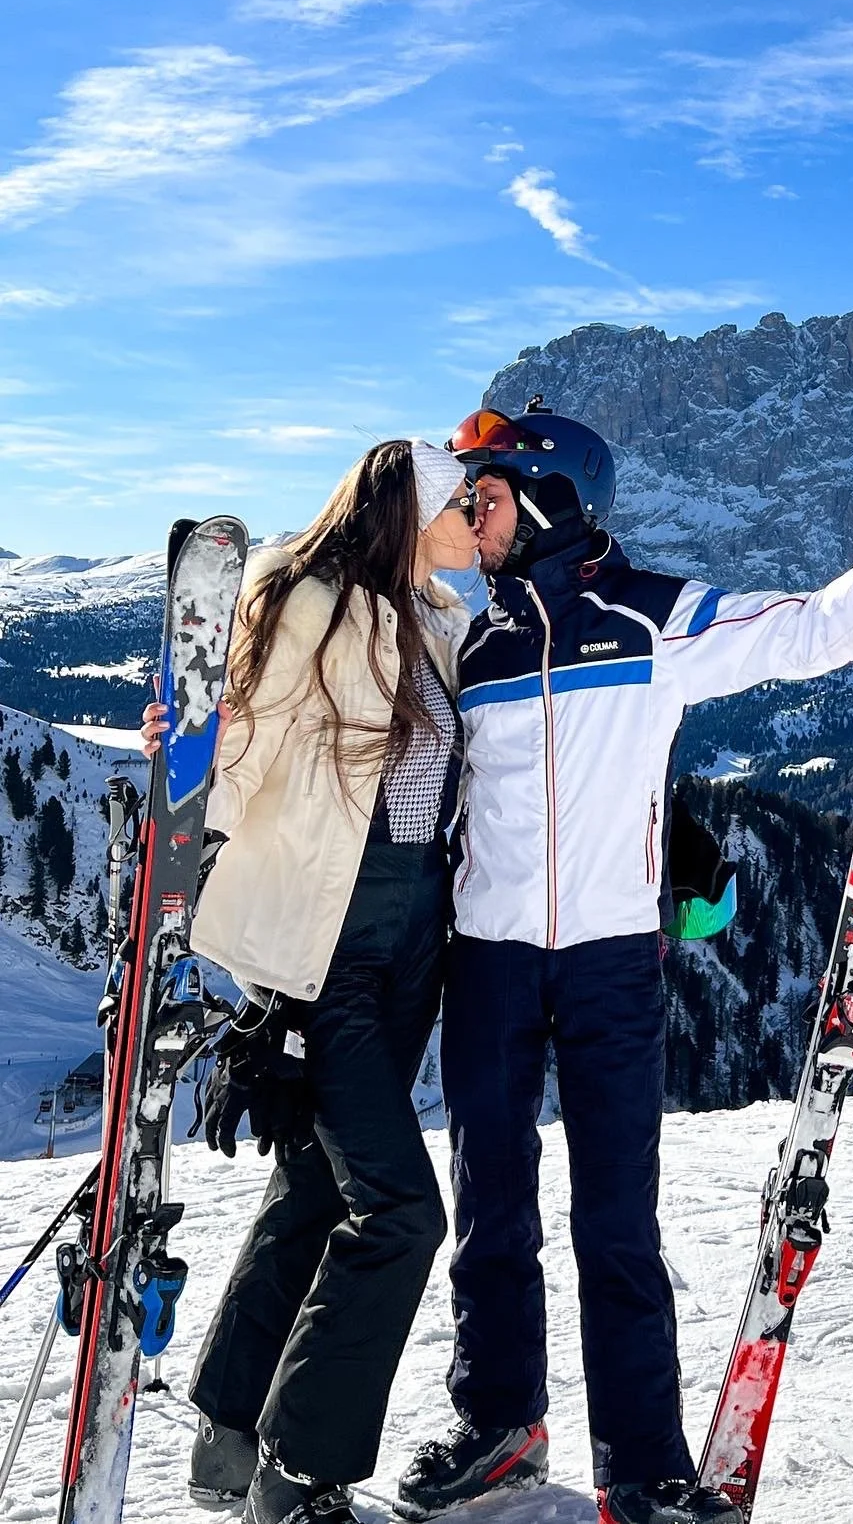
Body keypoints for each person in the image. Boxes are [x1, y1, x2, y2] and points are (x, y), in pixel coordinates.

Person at [395, 399, 853, 1524]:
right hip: (483, 960)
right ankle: (500, 1423)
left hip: (610, 962)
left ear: (545, 498)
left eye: (482, 494)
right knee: (490, 1208)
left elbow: (805, 628)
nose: (465, 514)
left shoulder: (650, 620)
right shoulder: (463, 641)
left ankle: (641, 1465)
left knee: (617, 1219)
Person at [141, 440, 477, 1524]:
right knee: (401, 1214)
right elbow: (239, 742)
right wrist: (182, 760)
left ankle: (228, 1437)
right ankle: (300, 1473)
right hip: (327, 959)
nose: (479, 518)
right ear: (411, 510)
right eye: (463, 503)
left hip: (408, 954)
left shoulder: (437, 622)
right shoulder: (311, 599)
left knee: (320, 1190)